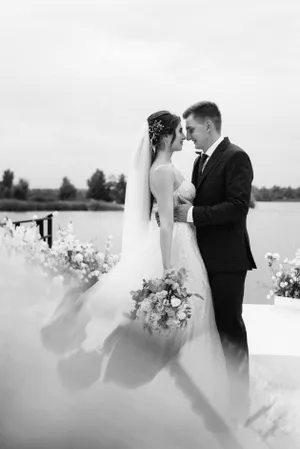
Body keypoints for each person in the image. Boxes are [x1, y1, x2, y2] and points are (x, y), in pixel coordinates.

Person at [0, 111, 294, 449]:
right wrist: (169, 271)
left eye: (189, 130)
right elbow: (167, 223)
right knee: (184, 321)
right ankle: (191, 397)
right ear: (167, 136)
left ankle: (206, 396)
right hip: (179, 251)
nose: (186, 136)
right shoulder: (163, 171)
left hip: (191, 248)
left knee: (195, 322)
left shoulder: (172, 166)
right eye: (181, 132)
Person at [174, 102, 256, 417]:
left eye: (191, 129)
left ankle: (240, 403)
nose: (189, 136)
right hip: (202, 259)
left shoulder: (236, 157)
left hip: (228, 261)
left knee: (230, 329)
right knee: (209, 329)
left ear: (209, 125)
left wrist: (191, 213)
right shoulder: (200, 163)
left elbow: (237, 206)